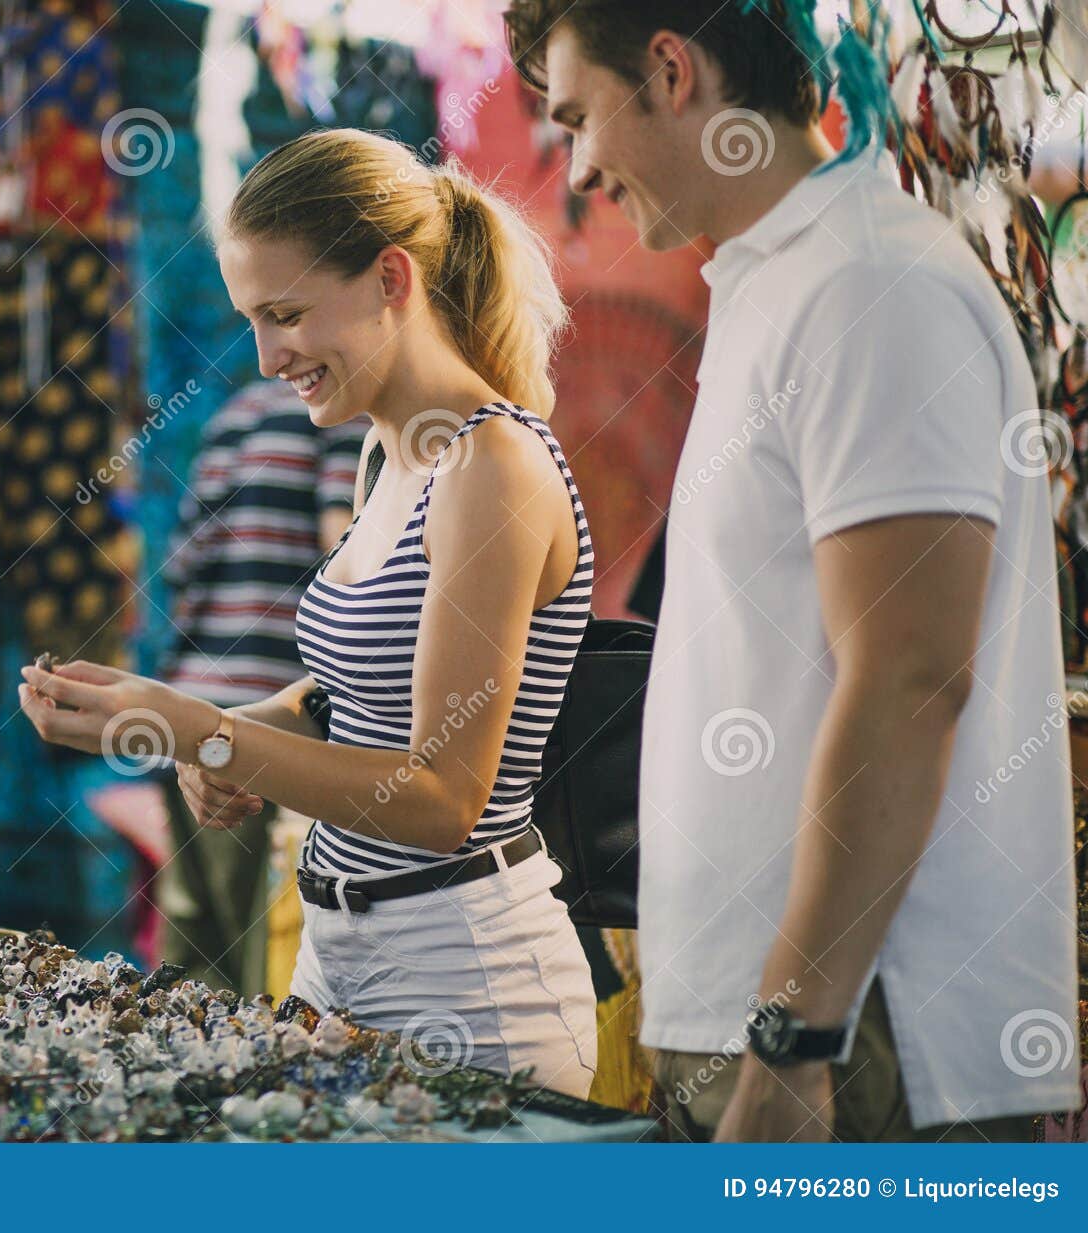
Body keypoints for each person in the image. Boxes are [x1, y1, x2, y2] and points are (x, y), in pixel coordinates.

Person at [508, 0, 1081, 1139]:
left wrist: (792, 1036)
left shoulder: (870, 285)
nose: (576, 170)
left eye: (578, 118)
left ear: (670, 71)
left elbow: (910, 677)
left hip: (869, 1047)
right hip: (792, 1032)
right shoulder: (784, 277)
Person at [20, 127, 599, 1096]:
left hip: (465, 980)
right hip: (342, 952)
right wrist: (185, 729)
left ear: (388, 280)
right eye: (253, 318)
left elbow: (441, 798)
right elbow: (344, 696)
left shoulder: (488, 464)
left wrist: (206, 735)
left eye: (284, 313)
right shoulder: (390, 454)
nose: (264, 355)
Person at [153, 378, 366, 994]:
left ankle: (192, 1078)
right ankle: (250, 1086)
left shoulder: (232, 415)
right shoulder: (342, 420)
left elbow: (182, 564)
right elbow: (345, 547)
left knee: (192, 949)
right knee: (260, 952)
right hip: (273, 714)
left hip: (194, 706)